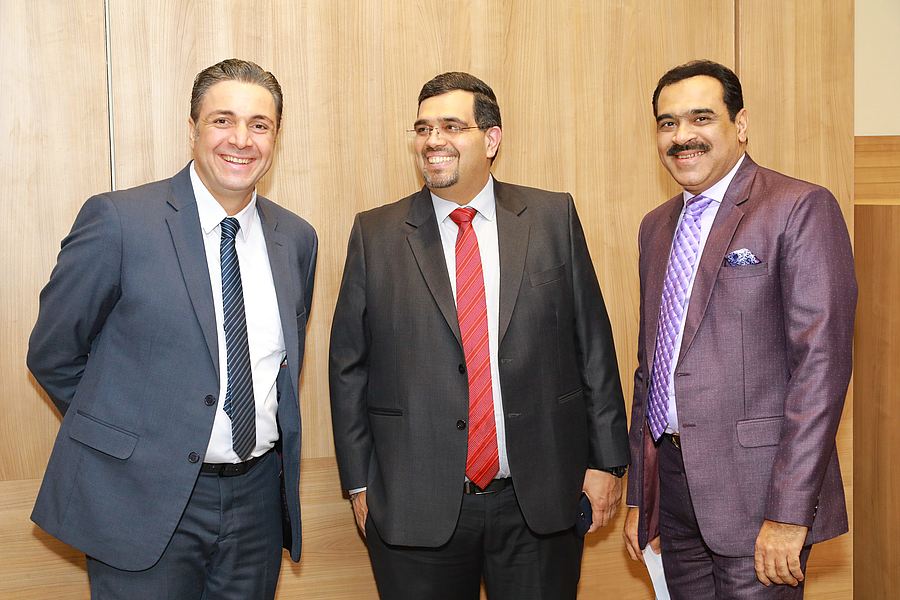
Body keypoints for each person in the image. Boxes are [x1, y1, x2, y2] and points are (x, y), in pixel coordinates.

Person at [329, 71, 629, 599]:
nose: (433, 141)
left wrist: (606, 462)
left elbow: (593, 346)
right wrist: (359, 482)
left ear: (492, 139)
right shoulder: (375, 234)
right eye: (423, 128)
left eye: (451, 126)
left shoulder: (551, 216)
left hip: (540, 499)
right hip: (414, 503)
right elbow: (348, 367)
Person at [27, 58, 317, 599]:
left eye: (259, 124)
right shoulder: (119, 221)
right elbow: (54, 352)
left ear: (276, 136)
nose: (241, 139)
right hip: (141, 496)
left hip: (256, 501)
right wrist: (135, 439)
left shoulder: (296, 238)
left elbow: (277, 368)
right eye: (222, 120)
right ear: (193, 128)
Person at [622, 60, 856, 598]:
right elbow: (650, 368)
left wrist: (789, 513)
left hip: (759, 497)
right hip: (675, 492)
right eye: (667, 123)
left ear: (741, 124)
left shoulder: (798, 207)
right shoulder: (656, 227)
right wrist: (642, 493)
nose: (682, 136)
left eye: (701, 118)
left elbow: (820, 369)